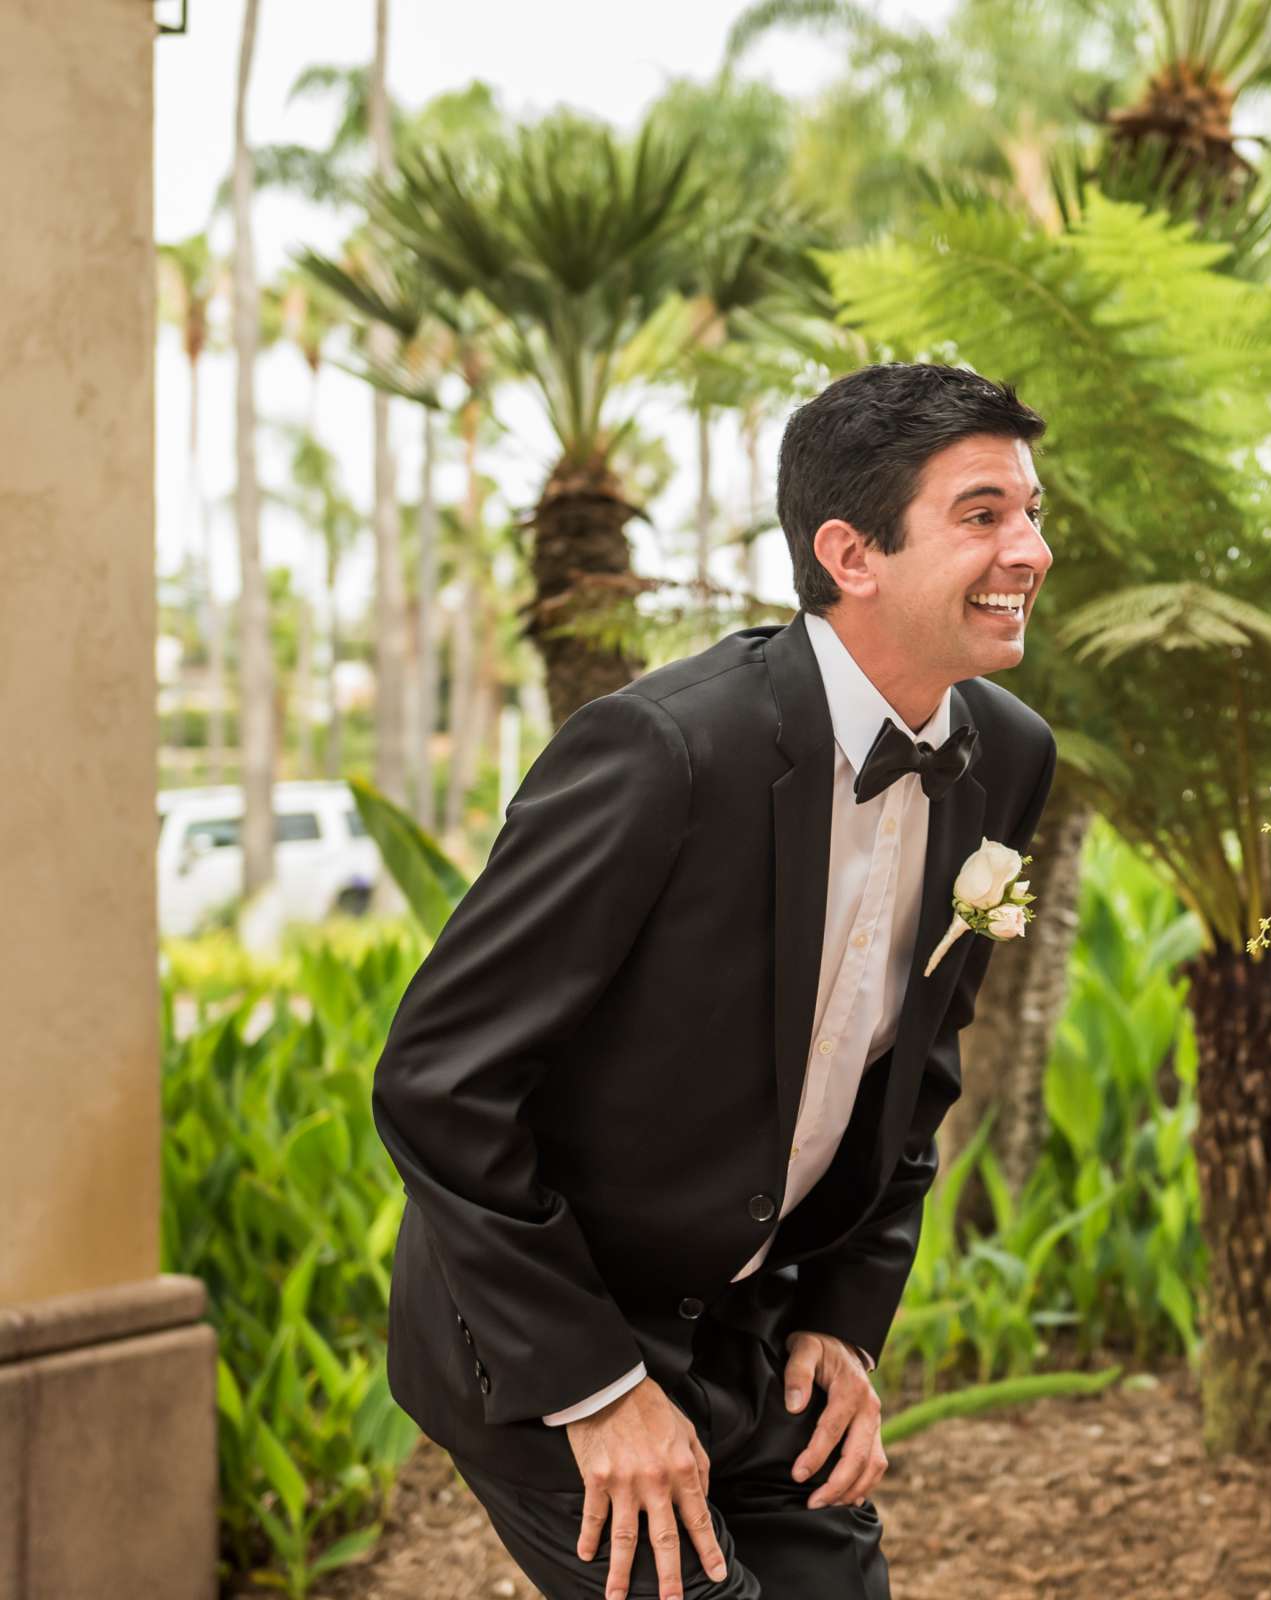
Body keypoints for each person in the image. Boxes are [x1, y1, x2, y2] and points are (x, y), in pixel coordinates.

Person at [373, 362, 1058, 1600]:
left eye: (1032, 510)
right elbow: (438, 1080)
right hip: (548, 1337)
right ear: (851, 554)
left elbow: (917, 1077)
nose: (1032, 549)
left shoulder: (1007, 752)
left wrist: (844, 1321)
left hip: (756, 1337)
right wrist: (596, 1391)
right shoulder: (664, 750)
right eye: (983, 515)